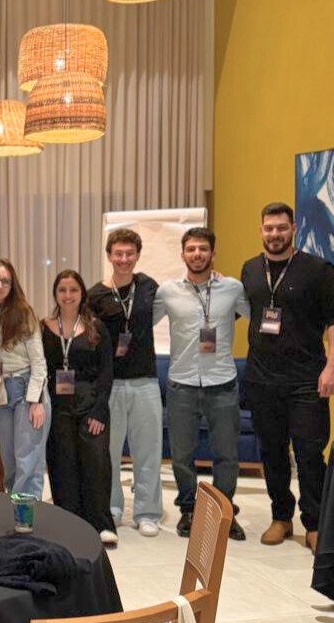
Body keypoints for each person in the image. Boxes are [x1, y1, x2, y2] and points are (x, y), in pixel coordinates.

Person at [241, 201, 334, 549]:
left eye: (281, 228)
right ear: (261, 230)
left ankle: (315, 523)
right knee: (272, 453)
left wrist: (331, 367)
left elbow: (332, 322)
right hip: (262, 379)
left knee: (309, 453)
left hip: (306, 380)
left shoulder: (317, 270)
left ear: (293, 229)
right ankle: (281, 517)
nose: (275, 234)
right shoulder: (250, 269)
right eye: (269, 228)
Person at [153, 228, 249, 541]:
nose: (197, 254)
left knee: (226, 454)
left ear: (213, 253)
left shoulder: (233, 288)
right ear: (183, 254)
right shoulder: (167, 292)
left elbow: (259, 318)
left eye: (203, 248)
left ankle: (223, 513)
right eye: (191, 249)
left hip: (222, 382)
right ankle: (189, 510)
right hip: (181, 384)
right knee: (182, 455)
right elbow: (139, 322)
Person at [89, 228, 163, 537]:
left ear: (137, 255)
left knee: (148, 452)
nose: (124, 259)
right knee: (109, 453)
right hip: (111, 384)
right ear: (109, 256)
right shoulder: (95, 295)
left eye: (129, 253)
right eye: (118, 253)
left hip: (145, 380)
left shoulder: (148, 286)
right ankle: (112, 508)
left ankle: (147, 512)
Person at [42, 270, 117, 545]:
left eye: (73, 289)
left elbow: (106, 373)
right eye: (62, 290)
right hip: (57, 408)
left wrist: (100, 411)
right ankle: (68, 522)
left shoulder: (97, 327)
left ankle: (101, 523)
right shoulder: (44, 328)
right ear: (55, 294)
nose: (68, 295)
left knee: (96, 464)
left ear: (82, 293)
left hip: (90, 407)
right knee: (63, 464)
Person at [0, 258, 49, 499]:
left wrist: (36, 401)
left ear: (12, 286)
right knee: (9, 459)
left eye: (5, 281)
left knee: (27, 459)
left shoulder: (23, 313)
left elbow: (39, 361)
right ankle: (14, 506)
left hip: (26, 388)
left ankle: (26, 511)